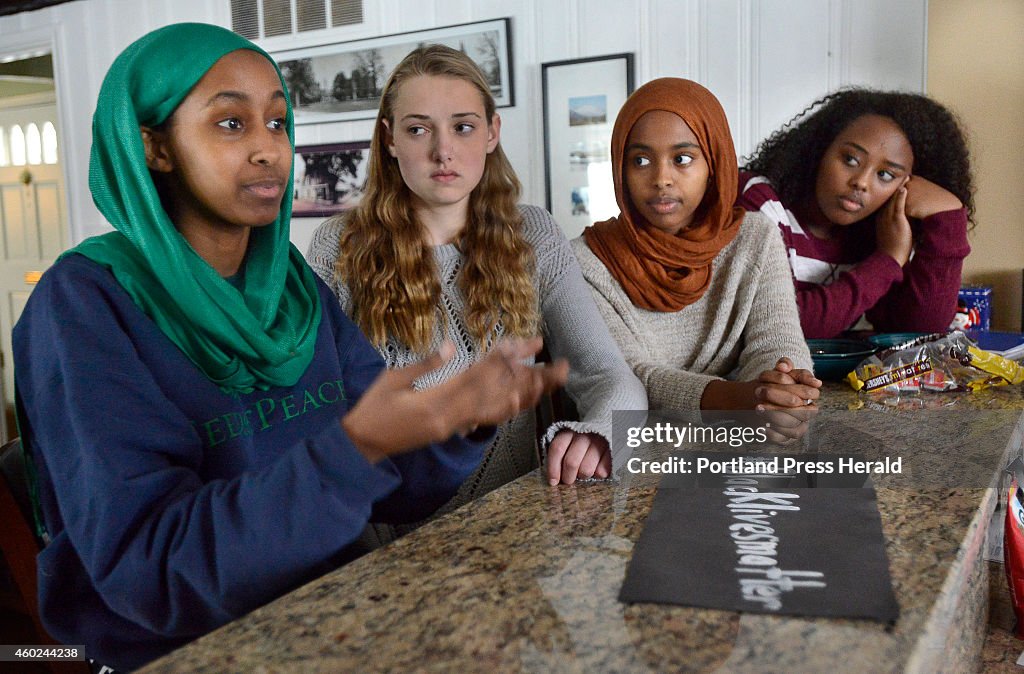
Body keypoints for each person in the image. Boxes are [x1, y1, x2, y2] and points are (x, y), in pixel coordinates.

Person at [12, 23, 567, 671]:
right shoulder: (84, 304)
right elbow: (154, 574)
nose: (269, 150)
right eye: (230, 124)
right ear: (154, 147)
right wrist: (356, 446)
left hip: (339, 612)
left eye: (277, 124)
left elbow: (393, 488)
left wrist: (457, 420)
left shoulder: (294, 288)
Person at [306, 45, 646, 510]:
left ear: (491, 132)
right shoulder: (336, 244)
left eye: (462, 127)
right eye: (418, 129)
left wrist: (599, 436)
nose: (443, 150)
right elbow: (313, 408)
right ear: (389, 139)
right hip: (378, 536)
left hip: (512, 528)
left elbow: (610, 376)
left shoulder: (534, 234)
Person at [570, 78, 819, 431]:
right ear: (620, 170)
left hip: (737, 444)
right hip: (628, 451)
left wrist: (783, 389)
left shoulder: (755, 237)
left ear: (714, 163)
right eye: (640, 160)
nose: (661, 178)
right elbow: (629, 376)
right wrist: (739, 400)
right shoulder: (587, 261)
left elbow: (776, 340)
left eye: (682, 158)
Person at [738, 88, 974, 339]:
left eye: (885, 175)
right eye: (850, 159)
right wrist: (888, 261)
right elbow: (780, 323)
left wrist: (948, 221)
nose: (861, 182)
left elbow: (918, 332)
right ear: (820, 149)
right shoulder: (758, 201)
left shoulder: (877, 228)